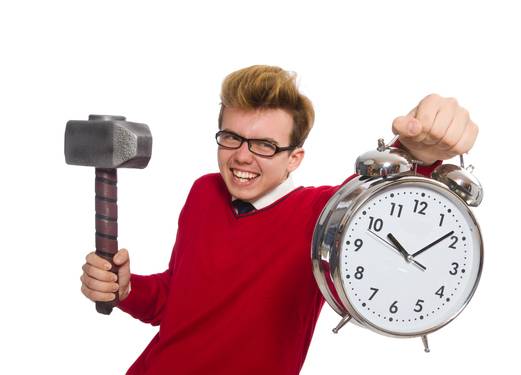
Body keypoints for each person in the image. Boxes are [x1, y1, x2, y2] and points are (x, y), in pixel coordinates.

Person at [77, 65, 480, 374]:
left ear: (294, 159)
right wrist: (126, 289)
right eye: (231, 137)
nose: (242, 156)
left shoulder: (323, 215)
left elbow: (383, 197)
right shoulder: (203, 192)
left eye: (265, 145)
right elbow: (174, 302)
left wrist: (418, 149)